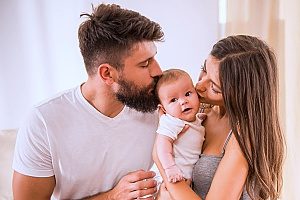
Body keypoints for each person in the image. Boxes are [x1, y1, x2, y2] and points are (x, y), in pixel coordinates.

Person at [12, 3, 164, 200]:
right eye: (145, 64)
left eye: (154, 59)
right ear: (107, 73)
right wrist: (112, 197)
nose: (158, 71)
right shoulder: (44, 121)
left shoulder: (157, 105)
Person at [153, 35, 285, 200]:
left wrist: (162, 163)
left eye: (214, 87)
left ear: (240, 95)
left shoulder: (244, 136)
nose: (199, 85)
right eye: (204, 70)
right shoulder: (201, 112)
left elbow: (164, 160)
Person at [154, 69, 206, 184]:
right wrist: (170, 168)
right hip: (172, 176)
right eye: (173, 100)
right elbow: (162, 145)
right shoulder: (172, 122)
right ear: (163, 109)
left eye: (187, 94)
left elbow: (193, 125)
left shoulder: (191, 119)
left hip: (186, 178)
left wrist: (200, 118)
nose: (183, 101)